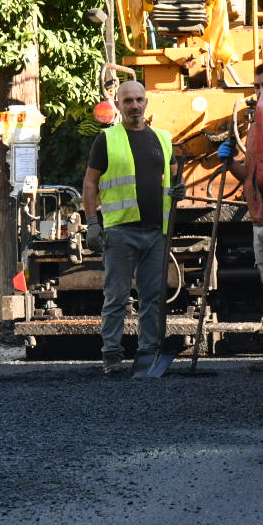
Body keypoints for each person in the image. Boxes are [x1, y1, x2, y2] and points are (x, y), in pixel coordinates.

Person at [82, 80, 182, 373]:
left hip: (155, 232)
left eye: (139, 99)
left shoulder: (163, 139)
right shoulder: (107, 140)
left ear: (146, 102)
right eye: (128, 101)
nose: (134, 105)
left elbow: (175, 179)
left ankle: (148, 353)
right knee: (116, 296)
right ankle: (111, 354)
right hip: (120, 231)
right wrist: (92, 223)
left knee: (152, 296)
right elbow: (90, 182)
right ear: (119, 104)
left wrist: (180, 189)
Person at [219, 61, 263, 293]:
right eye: (257, 87)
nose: (260, 91)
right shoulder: (255, 127)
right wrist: (230, 162)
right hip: (258, 219)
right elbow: (250, 176)